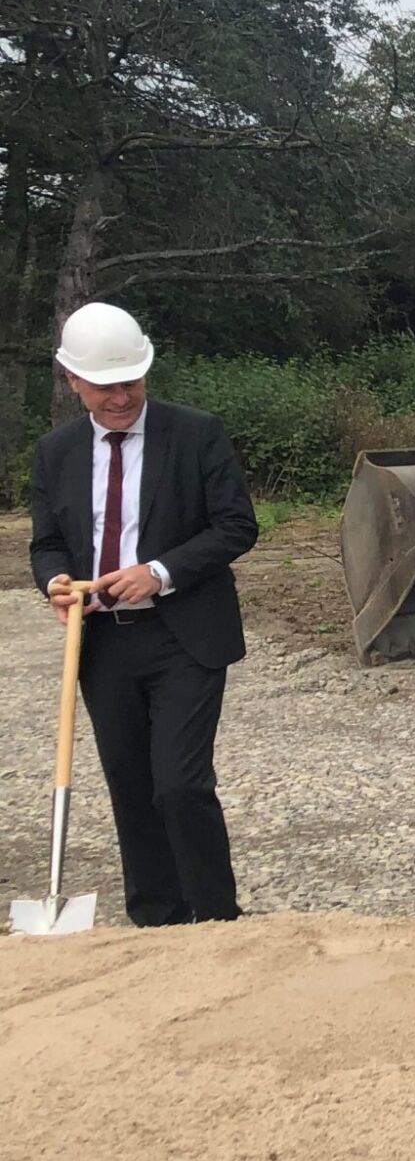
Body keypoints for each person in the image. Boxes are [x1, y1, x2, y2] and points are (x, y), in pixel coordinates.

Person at [28, 302, 259, 926]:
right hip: (102, 643)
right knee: (131, 787)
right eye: (104, 386)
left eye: (131, 381)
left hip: (185, 635)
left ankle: (217, 918)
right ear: (72, 380)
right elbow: (47, 543)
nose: (121, 397)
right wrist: (54, 582)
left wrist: (158, 572)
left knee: (180, 784)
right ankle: (156, 921)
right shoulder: (55, 452)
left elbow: (236, 525)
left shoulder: (196, 433)